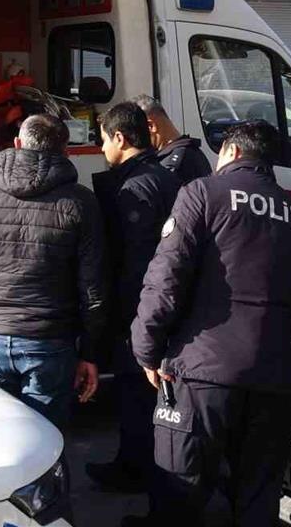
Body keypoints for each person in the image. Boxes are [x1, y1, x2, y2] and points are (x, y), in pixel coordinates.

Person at [125, 120, 291, 527]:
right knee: (256, 500)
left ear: (232, 152)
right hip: (272, 377)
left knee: (180, 492)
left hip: (201, 373)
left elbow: (165, 279)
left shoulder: (203, 193)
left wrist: (146, 349)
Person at [0, 114, 107, 429]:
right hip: (49, 340)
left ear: (17, 144)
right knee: (45, 438)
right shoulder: (80, 202)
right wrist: (90, 351)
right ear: (65, 151)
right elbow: (93, 289)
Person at [87, 103, 180, 493]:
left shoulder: (135, 188)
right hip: (159, 308)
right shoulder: (164, 177)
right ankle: (135, 465)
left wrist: (127, 319)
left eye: (103, 140)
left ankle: (136, 470)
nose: (101, 149)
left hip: (139, 312)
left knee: (136, 396)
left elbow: (136, 264)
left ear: (120, 138)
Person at [131, 94, 213, 184]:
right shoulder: (192, 152)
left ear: (151, 126)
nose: (136, 141)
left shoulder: (174, 165)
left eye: (136, 133)